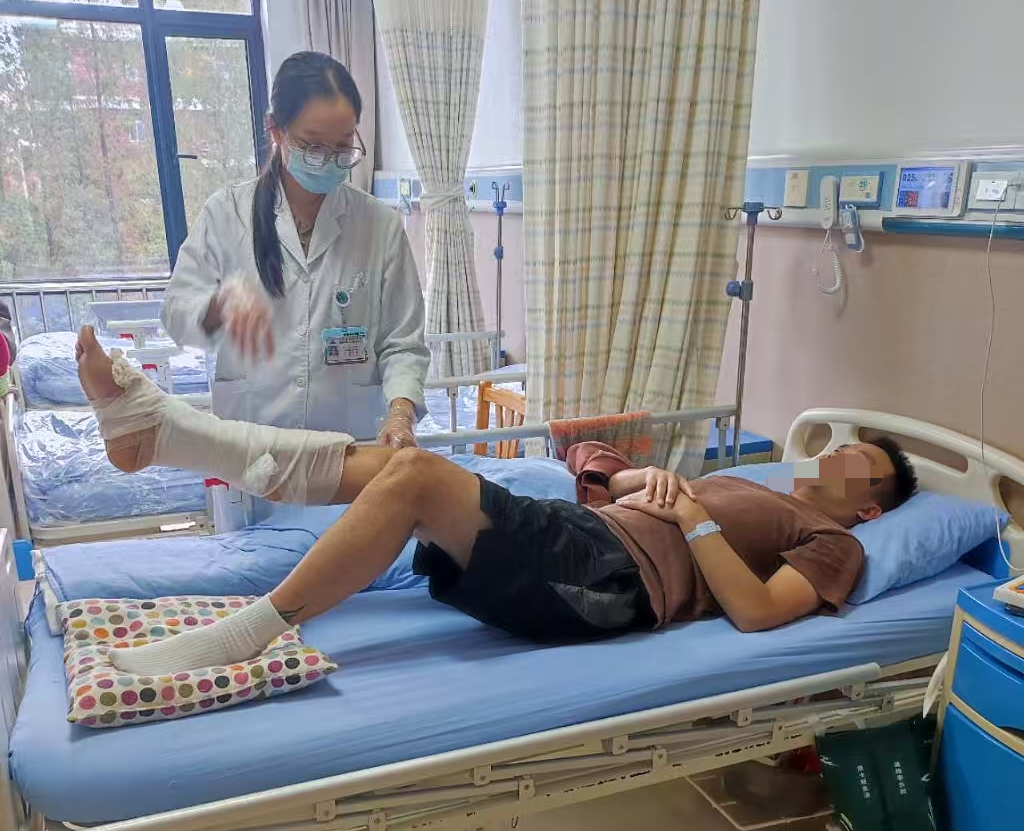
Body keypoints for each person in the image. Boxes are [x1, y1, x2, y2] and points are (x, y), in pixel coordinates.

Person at [73, 327, 918, 676]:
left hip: (609, 582)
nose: (833, 457)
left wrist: (693, 518)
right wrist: (646, 483)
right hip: (586, 534)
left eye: (857, 465)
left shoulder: (836, 544)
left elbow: (760, 613)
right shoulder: (751, 483)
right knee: (401, 464)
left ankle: (245, 630)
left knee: (415, 476)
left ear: (871, 508)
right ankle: (170, 440)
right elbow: (606, 481)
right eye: (839, 446)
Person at [161, 51, 428, 447]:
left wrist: (401, 413)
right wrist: (218, 308)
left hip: (350, 447)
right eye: (314, 146)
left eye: (343, 146)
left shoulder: (379, 225)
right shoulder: (227, 213)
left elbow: (402, 343)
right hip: (253, 447)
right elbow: (175, 311)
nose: (329, 160)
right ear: (276, 131)